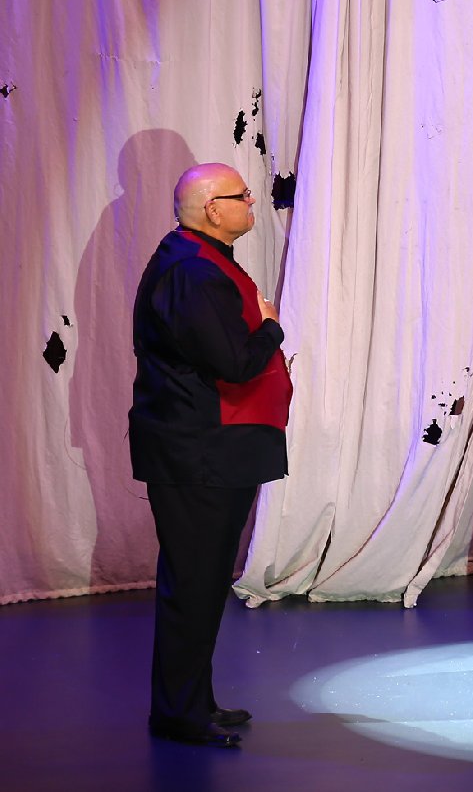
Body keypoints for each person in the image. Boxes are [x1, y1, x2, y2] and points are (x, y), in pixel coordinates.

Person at [130, 163, 292, 746]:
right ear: (212, 210)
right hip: (198, 452)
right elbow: (233, 362)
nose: (252, 201)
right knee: (193, 585)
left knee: (200, 583)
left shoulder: (199, 259)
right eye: (241, 195)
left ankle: (192, 702)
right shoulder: (194, 272)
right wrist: (271, 328)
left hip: (205, 448)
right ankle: (179, 714)